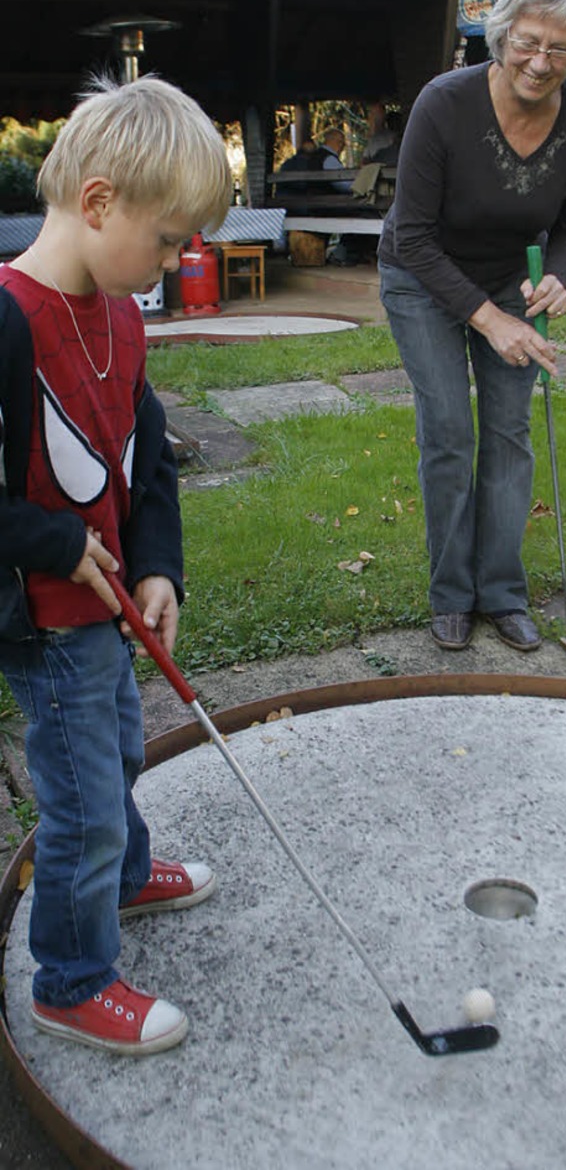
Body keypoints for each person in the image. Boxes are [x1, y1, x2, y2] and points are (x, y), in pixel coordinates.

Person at [0, 75, 232, 1054]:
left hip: (107, 610)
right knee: (84, 801)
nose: (173, 262)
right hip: (45, 619)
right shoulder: (9, 322)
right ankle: (71, 977)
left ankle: (125, 877)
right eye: (168, 239)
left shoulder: (123, 316)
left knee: (122, 755)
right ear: (98, 202)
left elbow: (146, 460)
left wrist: (159, 566)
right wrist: (59, 543)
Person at [379, 0, 566, 653]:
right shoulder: (443, 104)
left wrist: (560, 278)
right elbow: (413, 238)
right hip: (422, 277)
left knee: (509, 436)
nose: (541, 62)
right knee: (449, 430)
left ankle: (502, 593)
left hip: (514, 274)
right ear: (502, 31)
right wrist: (492, 318)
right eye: (529, 42)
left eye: (561, 49)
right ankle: (451, 594)